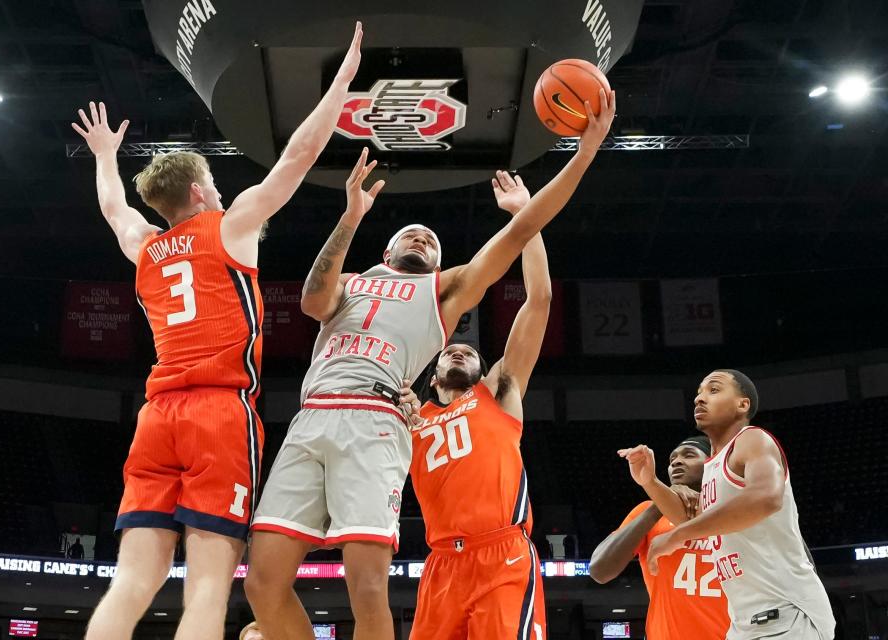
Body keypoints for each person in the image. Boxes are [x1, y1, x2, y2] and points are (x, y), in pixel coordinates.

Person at [245, 90, 616, 640]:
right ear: (387, 250)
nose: (422, 237)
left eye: (433, 241)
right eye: (409, 235)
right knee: (261, 584)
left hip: (373, 418)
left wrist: (583, 153)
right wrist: (350, 218)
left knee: (366, 587)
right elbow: (311, 303)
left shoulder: (443, 292)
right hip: (312, 415)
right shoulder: (350, 282)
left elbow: (520, 235)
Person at [72, 22, 365, 640]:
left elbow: (113, 209)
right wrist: (343, 79)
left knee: (131, 582)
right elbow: (299, 156)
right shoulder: (229, 227)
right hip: (217, 411)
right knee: (207, 586)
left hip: (157, 414)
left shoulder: (145, 247)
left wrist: (104, 156)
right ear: (204, 190)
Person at [404, 170, 551, 639]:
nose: (460, 350)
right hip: (441, 561)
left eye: (471, 351)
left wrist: (524, 217)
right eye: (451, 349)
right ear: (434, 369)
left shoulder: (498, 392)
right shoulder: (411, 415)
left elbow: (540, 299)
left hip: (501, 553)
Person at [623, 370, 836, 639]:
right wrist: (650, 482)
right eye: (699, 392)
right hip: (743, 623)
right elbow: (691, 519)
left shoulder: (752, 439)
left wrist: (676, 537)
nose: (699, 399)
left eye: (713, 390)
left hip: (786, 613)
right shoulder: (713, 466)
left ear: (742, 404)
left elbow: (766, 498)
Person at [591, 435, 729, 639]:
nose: (676, 462)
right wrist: (658, 503)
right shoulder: (648, 512)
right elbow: (600, 570)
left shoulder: (733, 512)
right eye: (672, 459)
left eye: (689, 455)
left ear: (713, 463)